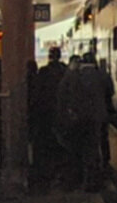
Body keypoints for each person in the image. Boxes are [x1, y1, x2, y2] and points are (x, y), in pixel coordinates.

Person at [57, 51, 111, 192]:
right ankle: (93, 181)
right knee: (93, 148)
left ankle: (76, 181)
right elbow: (110, 92)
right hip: (97, 118)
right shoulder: (102, 74)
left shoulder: (72, 75)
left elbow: (62, 94)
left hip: (78, 118)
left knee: (77, 149)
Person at [33, 46, 69, 188]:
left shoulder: (43, 72)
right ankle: (62, 175)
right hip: (63, 114)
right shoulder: (66, 72)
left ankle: (48, 175)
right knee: (63, 145)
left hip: (46, 114)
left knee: (47, 145)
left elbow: (37, 94)